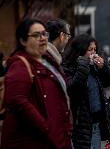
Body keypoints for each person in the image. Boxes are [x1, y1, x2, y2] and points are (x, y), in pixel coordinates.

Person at [1, 18, 72, 149]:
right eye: (36, 35)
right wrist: (45, 127)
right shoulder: (20, 65)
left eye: (44, 34)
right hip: (34, 141)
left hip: (57, 138)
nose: (43, 38)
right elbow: (17, 100)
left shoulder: (48, 61)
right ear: (23, 41)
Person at [62, 34, 110, 149]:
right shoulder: (69, 67)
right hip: (80, 125)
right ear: (80, 50)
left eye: (95, 49)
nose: (93, 53)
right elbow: (73, 88)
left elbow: (108, 82)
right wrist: (83, 63)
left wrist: (103, 68)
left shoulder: (94, 68)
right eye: (90, 50)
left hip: (96, 123)